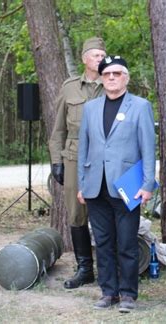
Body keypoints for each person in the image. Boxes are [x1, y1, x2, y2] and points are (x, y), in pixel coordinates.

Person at [77, 56, 156, 312]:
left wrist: (147, 185)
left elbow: (148, 148)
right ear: (101, 78)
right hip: (95, 187)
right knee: (103, 242)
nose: (112, 77)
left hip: (127, 186)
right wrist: (81, 183)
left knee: (127, 243)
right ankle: (108, 292)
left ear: (127, 77)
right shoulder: (90, 108)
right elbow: (83, 149)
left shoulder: (140, 106)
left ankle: (128, 294)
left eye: (117, 73)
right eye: (107, 74)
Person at [49, 37, 106, 289]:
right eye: (95, 55)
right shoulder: (70, 87)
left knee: (105, 211)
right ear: (84, 58)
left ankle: (108, 268)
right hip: (73, 157)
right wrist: (56, 161)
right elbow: (58, 128)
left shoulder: (112, 83)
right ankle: (85, 269)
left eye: (103, 55)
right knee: (76, 213)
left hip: (104, 158)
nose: (100, 59)